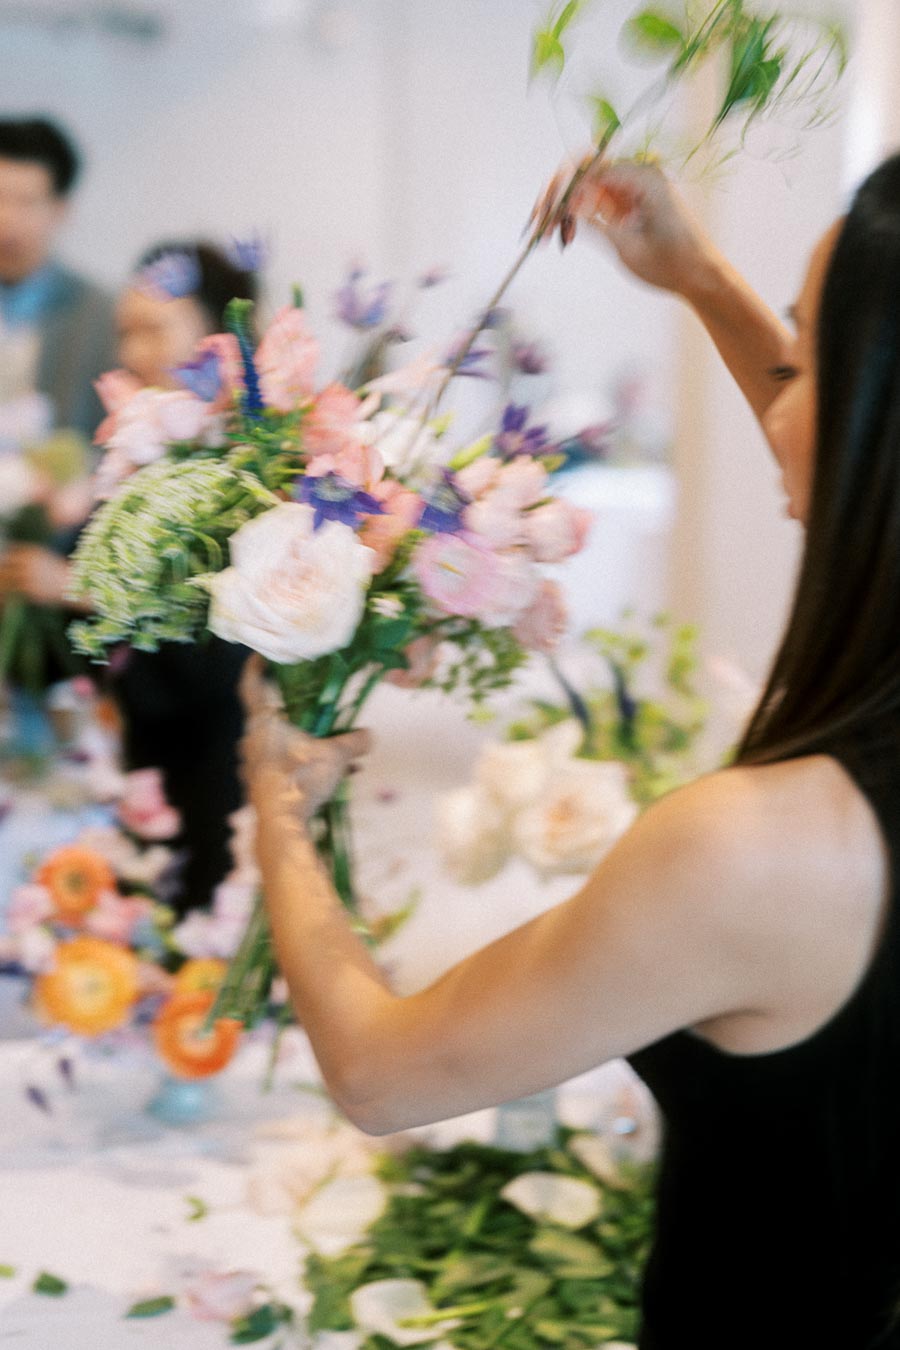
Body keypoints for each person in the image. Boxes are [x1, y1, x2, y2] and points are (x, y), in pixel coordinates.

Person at [239, 149, 900, 1350]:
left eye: (806, 355)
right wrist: (699, 280)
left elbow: (385, 1073)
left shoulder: (766, 851)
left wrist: (279, 805)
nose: (780, 406)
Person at [110, 241, 257, 915]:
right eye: (124, 331)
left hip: (220, 771)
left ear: (219, 339)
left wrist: (87, 593)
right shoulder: (146, 459)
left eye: (153, 329)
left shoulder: (247, 471)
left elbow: (213, 664)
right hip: (149, 762)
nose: (133, 351)